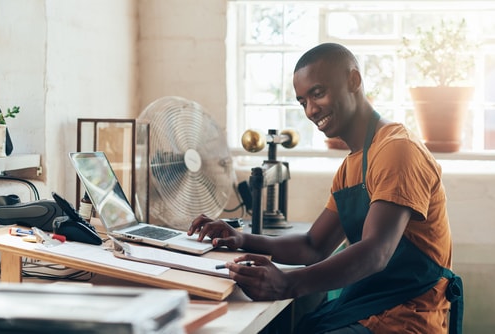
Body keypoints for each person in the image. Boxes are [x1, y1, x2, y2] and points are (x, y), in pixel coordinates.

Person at [188, 43, 462, 334]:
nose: (310, 110)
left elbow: (375, 253)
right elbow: (314, 246)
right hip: (367, 309)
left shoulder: (397, 149)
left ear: (354, 81)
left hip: (406, 318)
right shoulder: (350, 166)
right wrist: (241, 238)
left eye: (318, 93)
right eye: (302, 101)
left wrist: (287, 283)